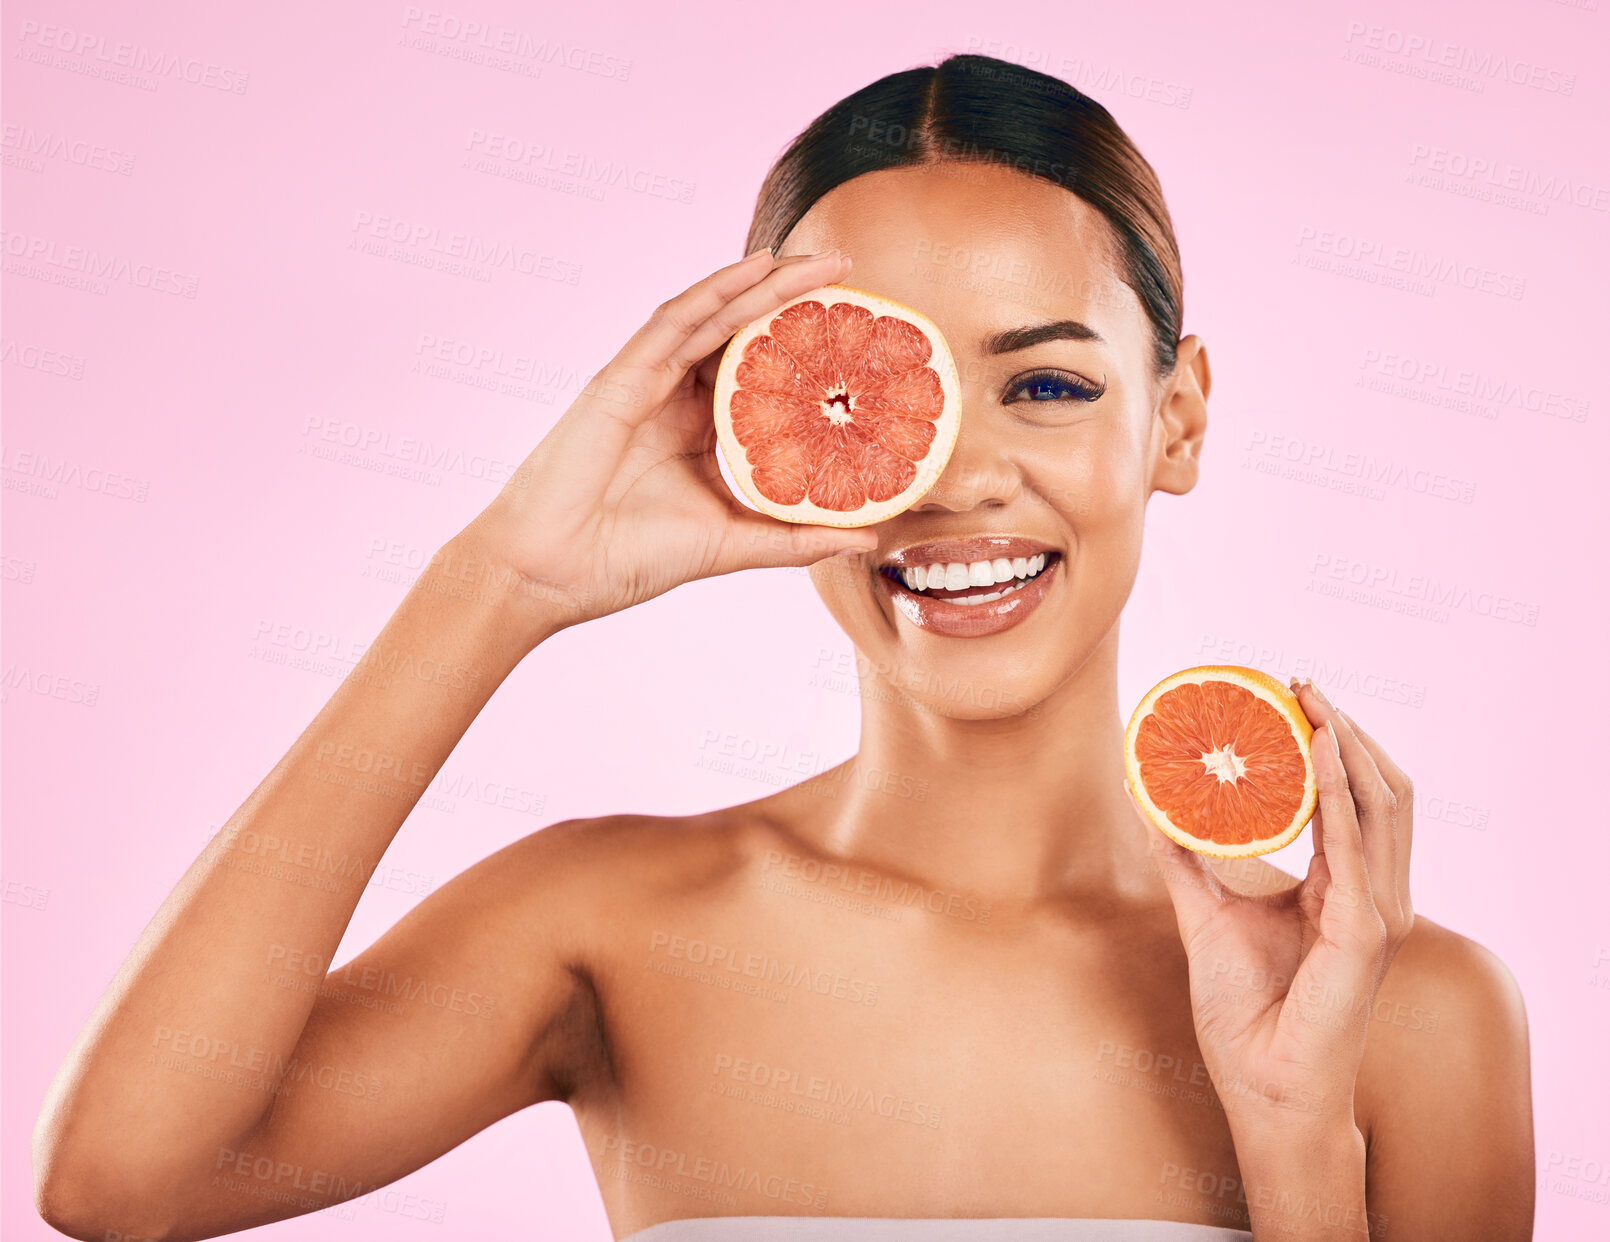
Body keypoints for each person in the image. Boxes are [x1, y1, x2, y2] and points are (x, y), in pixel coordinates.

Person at [33, 54, 1533, 1241]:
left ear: (1179, 417)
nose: (954, 476)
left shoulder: (1401, 1012)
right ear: (767, 427)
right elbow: (121, 1184)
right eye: (877, 392)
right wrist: (501, 575)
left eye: (1048, 386)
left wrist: (1291, 1144)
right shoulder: (605, 923)